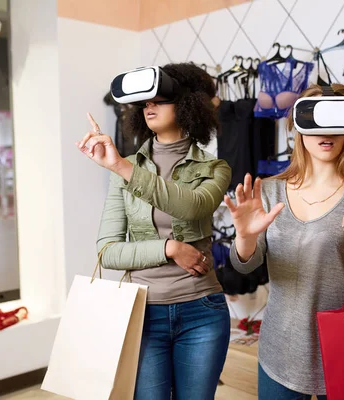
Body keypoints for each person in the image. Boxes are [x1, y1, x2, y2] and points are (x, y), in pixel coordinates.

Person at [76, 63, 232, 400]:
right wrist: (169, 248)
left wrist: (121, 166)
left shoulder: (215, 168)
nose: (150, 106)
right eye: (146, 102)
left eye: (160, 99)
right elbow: (107, 252)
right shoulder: (125, 169)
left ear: (189, 103)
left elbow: (192, 206)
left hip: (202, 312)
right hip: (142, 315)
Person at [225, 83, 344, 399]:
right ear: (299, 128)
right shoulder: (270, 192)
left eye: (335, 121)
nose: (326, 132)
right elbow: (244, 265)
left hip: (342, 352)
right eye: (316, 119)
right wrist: (245, 236)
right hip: (279, 350)